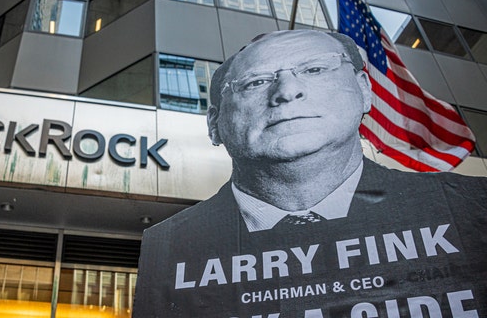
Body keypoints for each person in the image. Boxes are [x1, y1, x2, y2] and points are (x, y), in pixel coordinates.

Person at [133, 30, 487, 318]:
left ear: (364, 91)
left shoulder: (470, 209)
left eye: (315, 69)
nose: (287, 92)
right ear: (215, 124)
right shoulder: (171, 249)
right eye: (255, 82)